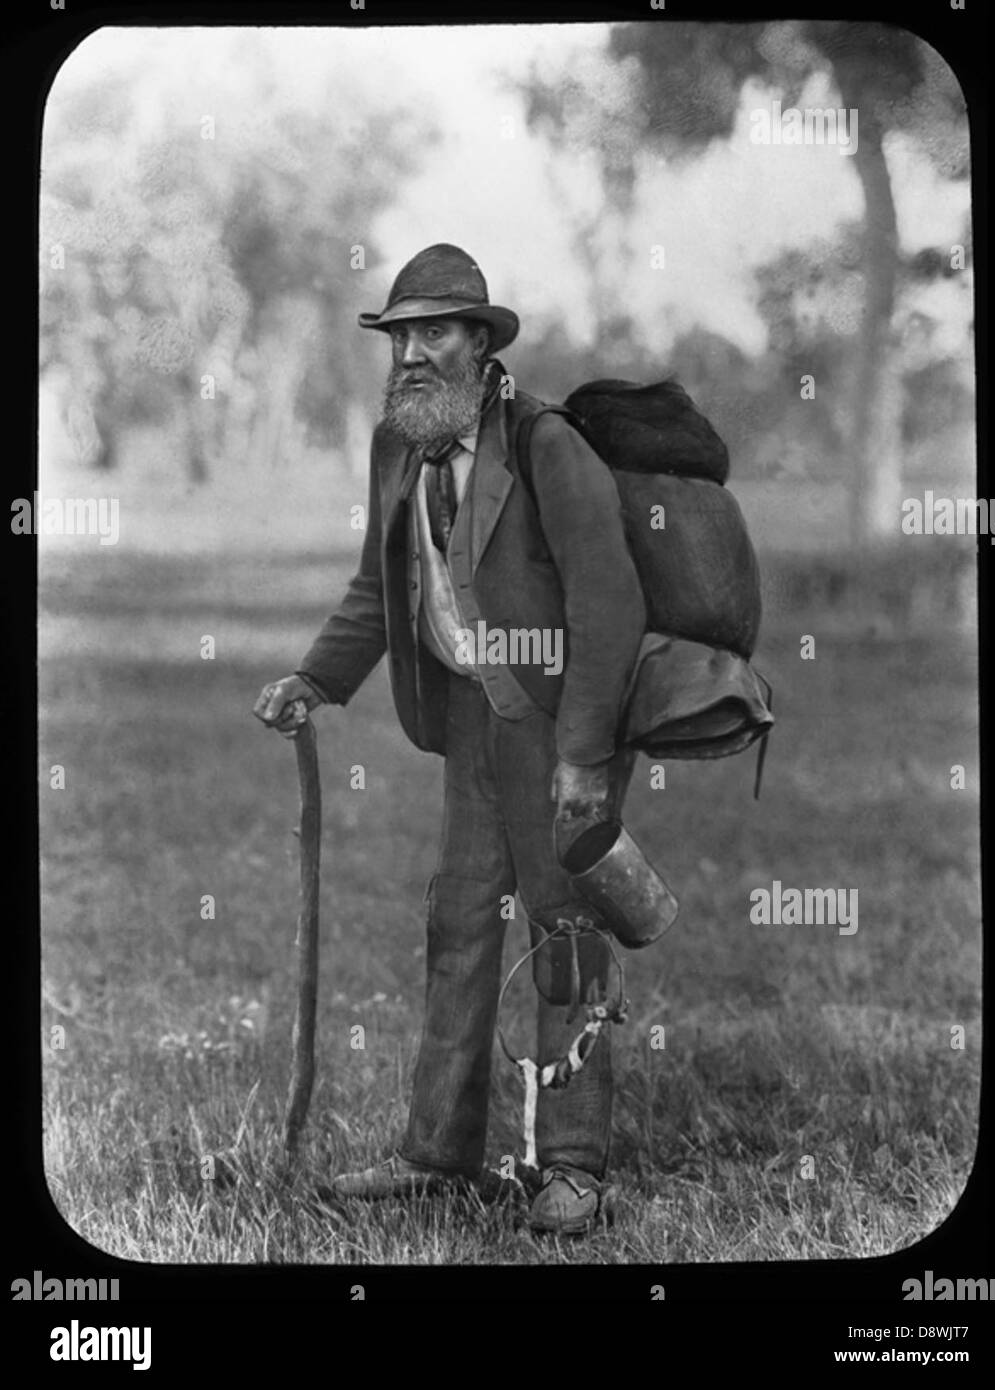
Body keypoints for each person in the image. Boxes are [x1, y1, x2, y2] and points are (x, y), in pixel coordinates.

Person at [254, 243, 645, 1235]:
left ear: (479, 342)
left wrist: (584, 755)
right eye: (399, 337)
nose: (411, 355)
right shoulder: (399, 444)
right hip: (473, 714)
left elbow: (608, 602)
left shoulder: (547, 445)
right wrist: (313, 677)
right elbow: (372, 589)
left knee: (562, 936)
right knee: (457, 923)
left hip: (557, 720)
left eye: (433, 334)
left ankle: (573, 1169)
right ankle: (438, 1154)